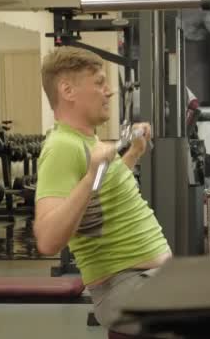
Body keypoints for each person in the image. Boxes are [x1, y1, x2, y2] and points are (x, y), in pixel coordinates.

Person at [34, 46, 172, 338]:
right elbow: (47, 241)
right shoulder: (61, 147)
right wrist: (93, 173)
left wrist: (133, 154)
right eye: (99, 82)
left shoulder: (86, 141)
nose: (109, 91)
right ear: (68, 90)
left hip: (145, 279)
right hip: (127, 286)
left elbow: (98, 193)